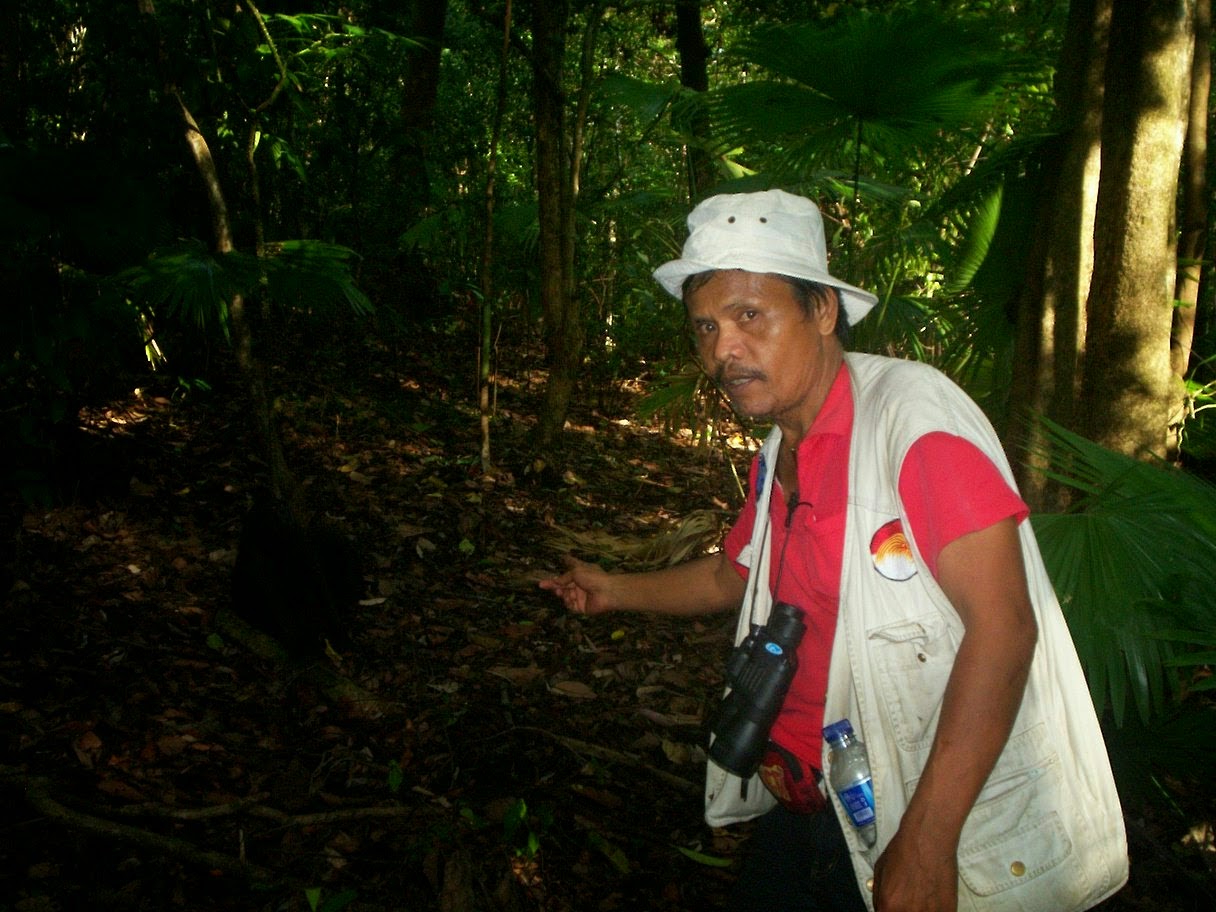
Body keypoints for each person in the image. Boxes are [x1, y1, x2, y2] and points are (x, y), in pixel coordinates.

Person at [540, 189, 1127, 912]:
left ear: (822, 311)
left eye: (749, 316)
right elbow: (735, 575)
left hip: (931, 809)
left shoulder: (915, 426)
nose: (723, 350)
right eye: (705, 326)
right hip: (820, 804)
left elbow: (1004, 629)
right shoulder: (778, 449)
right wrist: (615, 589)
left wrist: (927, 842)